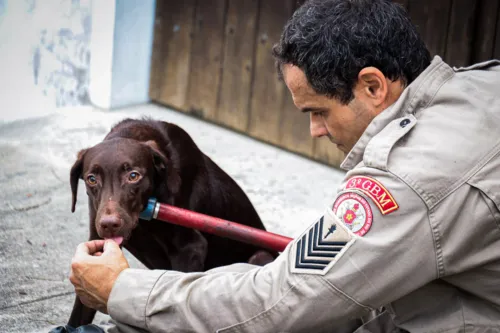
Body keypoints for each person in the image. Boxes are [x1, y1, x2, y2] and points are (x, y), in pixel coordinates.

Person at [67, 0, 500, 332]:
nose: (315, 131)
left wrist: (124, 291)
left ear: (373, 85)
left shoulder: (408, 179)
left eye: (319, 111)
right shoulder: (480, 85)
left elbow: (282, 302)